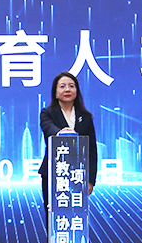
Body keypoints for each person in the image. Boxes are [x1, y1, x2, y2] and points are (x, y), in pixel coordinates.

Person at [37, 72, 98, 207]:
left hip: (78, 175)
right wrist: (61, 133)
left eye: (71, 86)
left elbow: (92, 149)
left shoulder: (86, 117)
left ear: (77, 91)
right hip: (53, 173)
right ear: (55, 92)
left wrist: (90, 180)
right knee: (53, 213)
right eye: (62, 86)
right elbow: (48, 128)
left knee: (76, 213)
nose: (67, 89)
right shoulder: (47, 113)